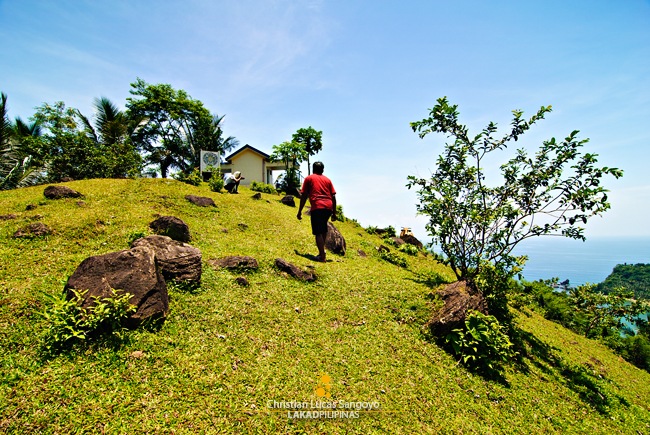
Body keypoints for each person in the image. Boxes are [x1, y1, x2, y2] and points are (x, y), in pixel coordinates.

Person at [297, 161, 337, 262]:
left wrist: (300, 211)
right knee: (323, 229)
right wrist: (334, 212)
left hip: (317, 206)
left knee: (318, 232)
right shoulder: (328, 180)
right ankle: (321, 252)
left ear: (313, 169)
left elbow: (304, 195)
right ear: (323, 170)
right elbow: (333, 196)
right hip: (328, 207)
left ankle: (322, 256)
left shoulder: (309, 178)